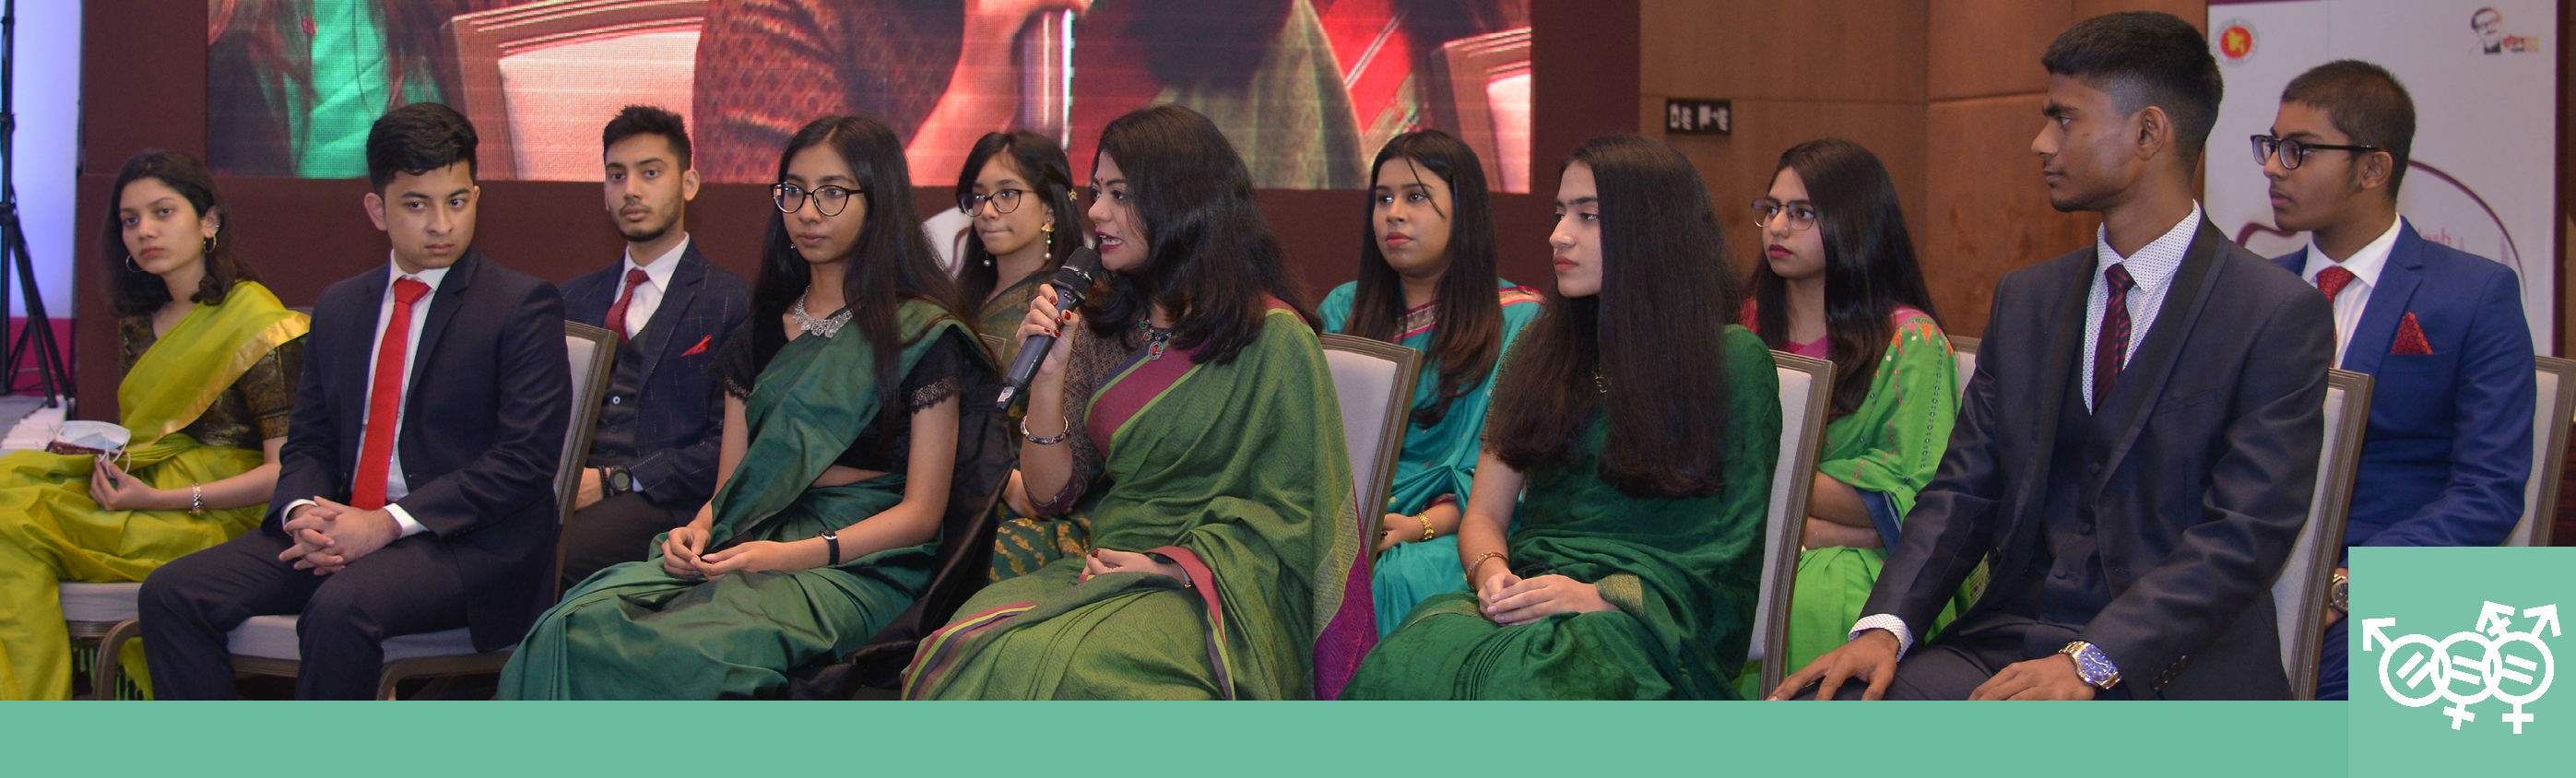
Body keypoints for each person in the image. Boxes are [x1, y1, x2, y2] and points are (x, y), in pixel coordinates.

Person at [1774, 12, 2334, 701]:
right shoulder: (2029, 300)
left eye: (2064, 120)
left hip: (2173, 669)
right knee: (1820, 709)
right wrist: (1885, 627)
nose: (2040, 142)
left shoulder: (2274, 313)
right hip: (2009, 642)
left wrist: (2093, 661)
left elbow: (2244, 535)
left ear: (2148, 132)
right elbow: (1963, 490)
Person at [500, 114, 999, 700]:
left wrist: (791, 556)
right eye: (793, 191)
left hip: (859, 561)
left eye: (833, 193)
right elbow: (732, 485)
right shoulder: (758, 331)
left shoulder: (919, 333)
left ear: (880, 199)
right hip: (749, 538)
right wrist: (695, 529)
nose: (808, 212)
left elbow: (920, 514)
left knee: (689, 652)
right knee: (570, 626)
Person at [903, 104, 1368, 701]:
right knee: (959, 650)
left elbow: (1293, 518)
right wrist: (1046, 379)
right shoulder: (1100, 323)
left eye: (1119, 194)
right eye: (1096, 191)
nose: (1095, 212)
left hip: (1212, 589)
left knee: (1081, 675)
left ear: (1183, 201)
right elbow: (1050, 495)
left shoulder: (1273, 339)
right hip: (1104, 564)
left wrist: (1174, 566)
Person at [138, 102, 571, 701]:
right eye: (417, 204)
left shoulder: (522, 306)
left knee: (341, 608)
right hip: (340, 525)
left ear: (475, 197)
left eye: (457, 201)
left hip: (460, 543)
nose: (441, 224)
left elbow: (523, 462)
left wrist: (386, 525)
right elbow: (309, 441)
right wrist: (299, 515)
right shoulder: (341, 306)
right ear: (377, 209)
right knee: (172, 593)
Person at [1341, 134, 1780, 700]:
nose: (1557, 235)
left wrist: (1599, 597)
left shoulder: (1734, 361)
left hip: (1646, 627)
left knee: (1522, 687)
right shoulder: (1539, 351)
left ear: (1651, 230)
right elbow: (1486, 517)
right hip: (1530, 593)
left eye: (1588, 216)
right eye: (1559, 213)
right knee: (1398, 670)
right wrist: (1491, 575)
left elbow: (1728, 562)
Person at [2258, 60, 2535, 701]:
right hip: (2249, 581)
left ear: (2373, 168)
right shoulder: (2252, 286)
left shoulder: (2475, 293)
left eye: (2298, 150)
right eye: (2271, 146)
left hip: (2399, 601)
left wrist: (2348, 585)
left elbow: (2489, 492)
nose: (2273, 166)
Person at [0, 150, 307, 700]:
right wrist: (96, 460)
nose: (145, 231)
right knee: (12, 484)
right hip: (146, 487)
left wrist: (161, 500)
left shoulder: (262, 324)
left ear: (209, 221)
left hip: (217, 517)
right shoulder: (142, 322)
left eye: (163, 213)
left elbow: (283, 475)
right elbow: (151, 437)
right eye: (130, 220)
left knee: (12, 515)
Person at [1734, 137, 1972, 697]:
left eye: (1802, 214)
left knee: (1819, 591)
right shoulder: (1742, 328)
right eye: (1770, 210)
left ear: (1855, 223)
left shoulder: (1909, 341)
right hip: (1749, 534)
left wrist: (1797, 513)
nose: (1777, 227)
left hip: (1871, 565)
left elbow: (1916, 491)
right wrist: (1813, 517)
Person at [691, 0, 1365, 189]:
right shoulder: (787, 13)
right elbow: (781, 291)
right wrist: (971, 99)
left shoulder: (1248, 23)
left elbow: (1313, 295)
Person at [1314, 129, 1542, 637]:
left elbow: (1519, 475)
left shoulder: (1520, 320)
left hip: (1466, 531)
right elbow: (1325, 449)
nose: (1394, 213)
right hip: (1349, 521)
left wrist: (1418, 526)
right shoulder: (1343, 312)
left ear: (1464, 211)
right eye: (1383, 199)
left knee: (1397, 575)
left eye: (1416, 197)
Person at [554, 105, 752, 591]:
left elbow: (727, 448)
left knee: (554, 552)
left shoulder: (732, 301)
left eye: (650, 173)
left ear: (688, 183)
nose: (631, 190)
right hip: (566, 488)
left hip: (666, 502)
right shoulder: (572, 298)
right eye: (616, 175)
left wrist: (614, 481)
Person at [952, 130, 1100, 581]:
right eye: (977, 198)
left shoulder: (1073, 308)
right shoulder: (954, 301)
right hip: (949, 482)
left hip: (1035, 504)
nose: (988, 211)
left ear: (1051, 210)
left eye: (1007, 194)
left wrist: (1007, 480)